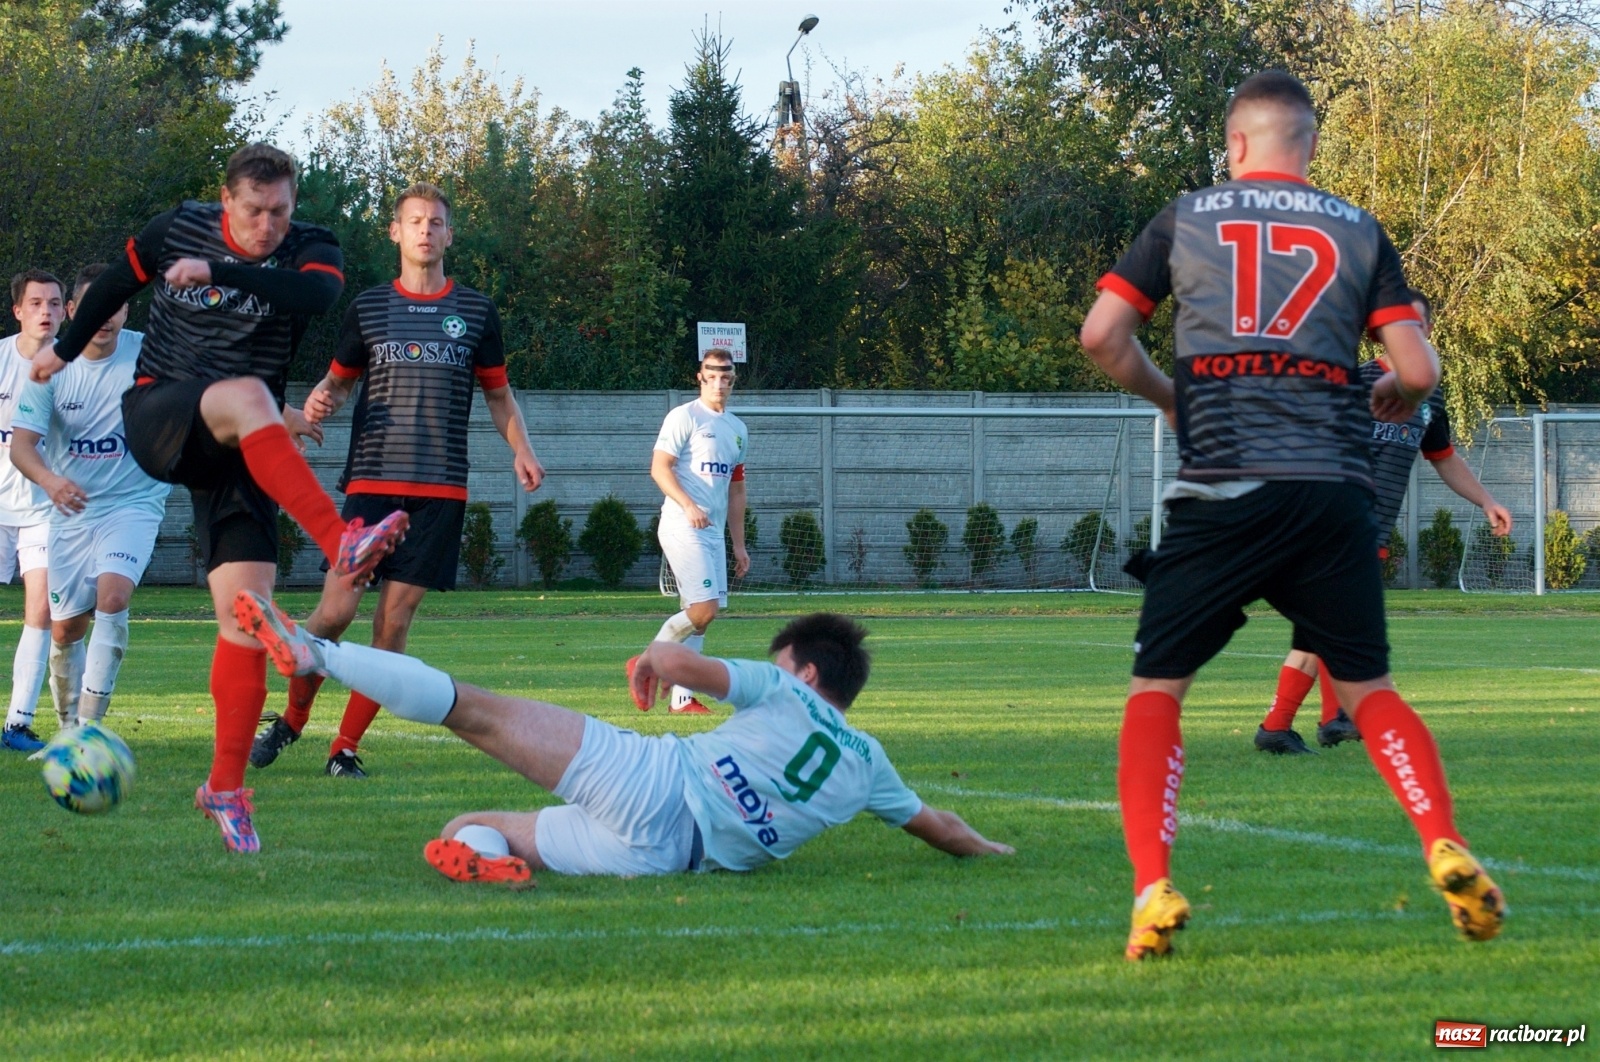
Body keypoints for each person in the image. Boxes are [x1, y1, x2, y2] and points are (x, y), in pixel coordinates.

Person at [1078, 70, 1504, 959]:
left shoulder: (1185, 216)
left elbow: (1103, 336)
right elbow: (1419, 375)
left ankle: (1152, 883)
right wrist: (1386, 389)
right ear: (1307, 145)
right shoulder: (1358, 229)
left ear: (1236, 144)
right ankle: (1442, 842)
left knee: (1158, 692)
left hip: (1223, 485)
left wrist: (1171, 398)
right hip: (1331, 493)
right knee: (1371, 690)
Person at [33, 143, 409, 853]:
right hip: (159, 416)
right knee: (247, 393)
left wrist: (225, 271)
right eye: (254, 210)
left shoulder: (310, 247)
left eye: (280, 211)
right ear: (226, 200)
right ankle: (340, 542)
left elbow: (316, 296)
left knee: (247, 614)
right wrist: (64, 345)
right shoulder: (178, 228)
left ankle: (226, 788)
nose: (269, 224)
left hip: (243, 443)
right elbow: (117, 281)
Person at [235, 593, 1012, 880]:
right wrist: (991, 851)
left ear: (805, 675)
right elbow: (939, 829)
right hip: (670, 857)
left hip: (652, 781)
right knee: (465, 831)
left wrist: (649, 665)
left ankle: (315, 654)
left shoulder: (781, 690)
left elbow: (675, 657)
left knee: (474, 711)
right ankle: (495, 861)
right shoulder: (871, 764)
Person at [248, 181, 544, 779]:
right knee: (333, 614)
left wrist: (523, 450)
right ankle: (293, 720)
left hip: (440, 488)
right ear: (396, 232)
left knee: (393, 625)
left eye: (436, 222)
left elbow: (500, 396)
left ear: (449, 235)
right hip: (372, 481)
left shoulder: (477, 312)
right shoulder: (369, 307)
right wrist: (317, 404)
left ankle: (345, 748)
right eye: (415, 221)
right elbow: (337, 382)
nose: (426, 231)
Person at [1256, 290, 1513, 754]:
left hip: (1369, 530)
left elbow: (1445, 458)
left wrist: (1486, 500)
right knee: (1335, 625)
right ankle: (1282, 725)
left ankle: (1333, 719)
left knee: (1337, 626)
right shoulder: (1354, 382)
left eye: (1419, 324)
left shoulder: (1429, 397)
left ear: (1430, 332)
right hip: (1331, 525)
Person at [9, 264, 172, 733]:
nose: (106, 315)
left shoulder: (152, 354)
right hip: (71, 513)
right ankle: (68, 732)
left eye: (116, 305)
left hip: (134, 504)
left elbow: (213, 383)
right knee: (65, 631)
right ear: (76, 311)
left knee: (114, 595)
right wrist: (50, 480)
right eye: (95, 306)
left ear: (125, 309)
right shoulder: (51, 367)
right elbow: (21, 446)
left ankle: (90, 731)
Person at [648, 348, 749, 714]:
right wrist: (687, 505)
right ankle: (650, 660)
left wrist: (737, 544)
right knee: (703, 610)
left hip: (711, 533)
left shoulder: (738, 430)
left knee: (700, 618)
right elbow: (659, 468)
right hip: (681, 525)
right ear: (700, 377)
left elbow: (736, 490)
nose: (719, 383)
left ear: (733, 381)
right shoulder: (684, 416)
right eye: (712, 375)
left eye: (726, 376)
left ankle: (682, 699)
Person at [1, 271, 65, 752]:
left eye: (56, 303)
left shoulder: (76, 363)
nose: (46, 311)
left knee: (41, 609)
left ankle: (17, 723)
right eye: (36, 302)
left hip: (44, 508)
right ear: (18, 310)